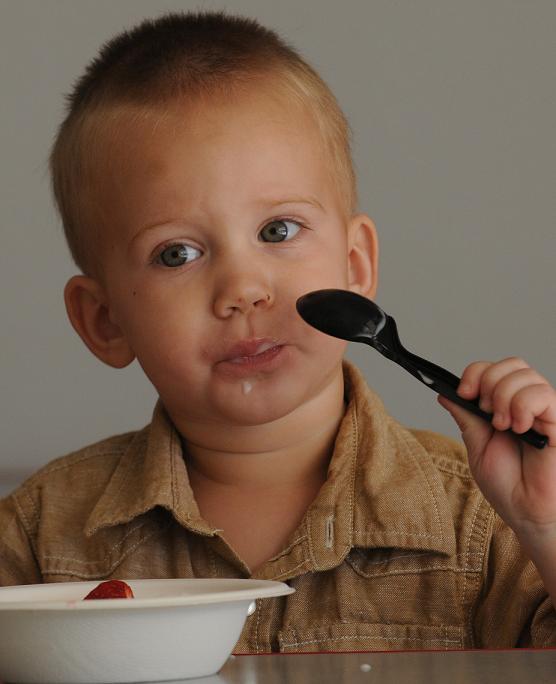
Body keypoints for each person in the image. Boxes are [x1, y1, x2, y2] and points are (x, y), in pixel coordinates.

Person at [1, 11, 555, 652]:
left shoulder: (487, 522)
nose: (244, 289)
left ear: (355, 266)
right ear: (104, 321)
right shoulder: (39, 535)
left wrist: (544, 524)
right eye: (177, 254)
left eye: (278, 231)